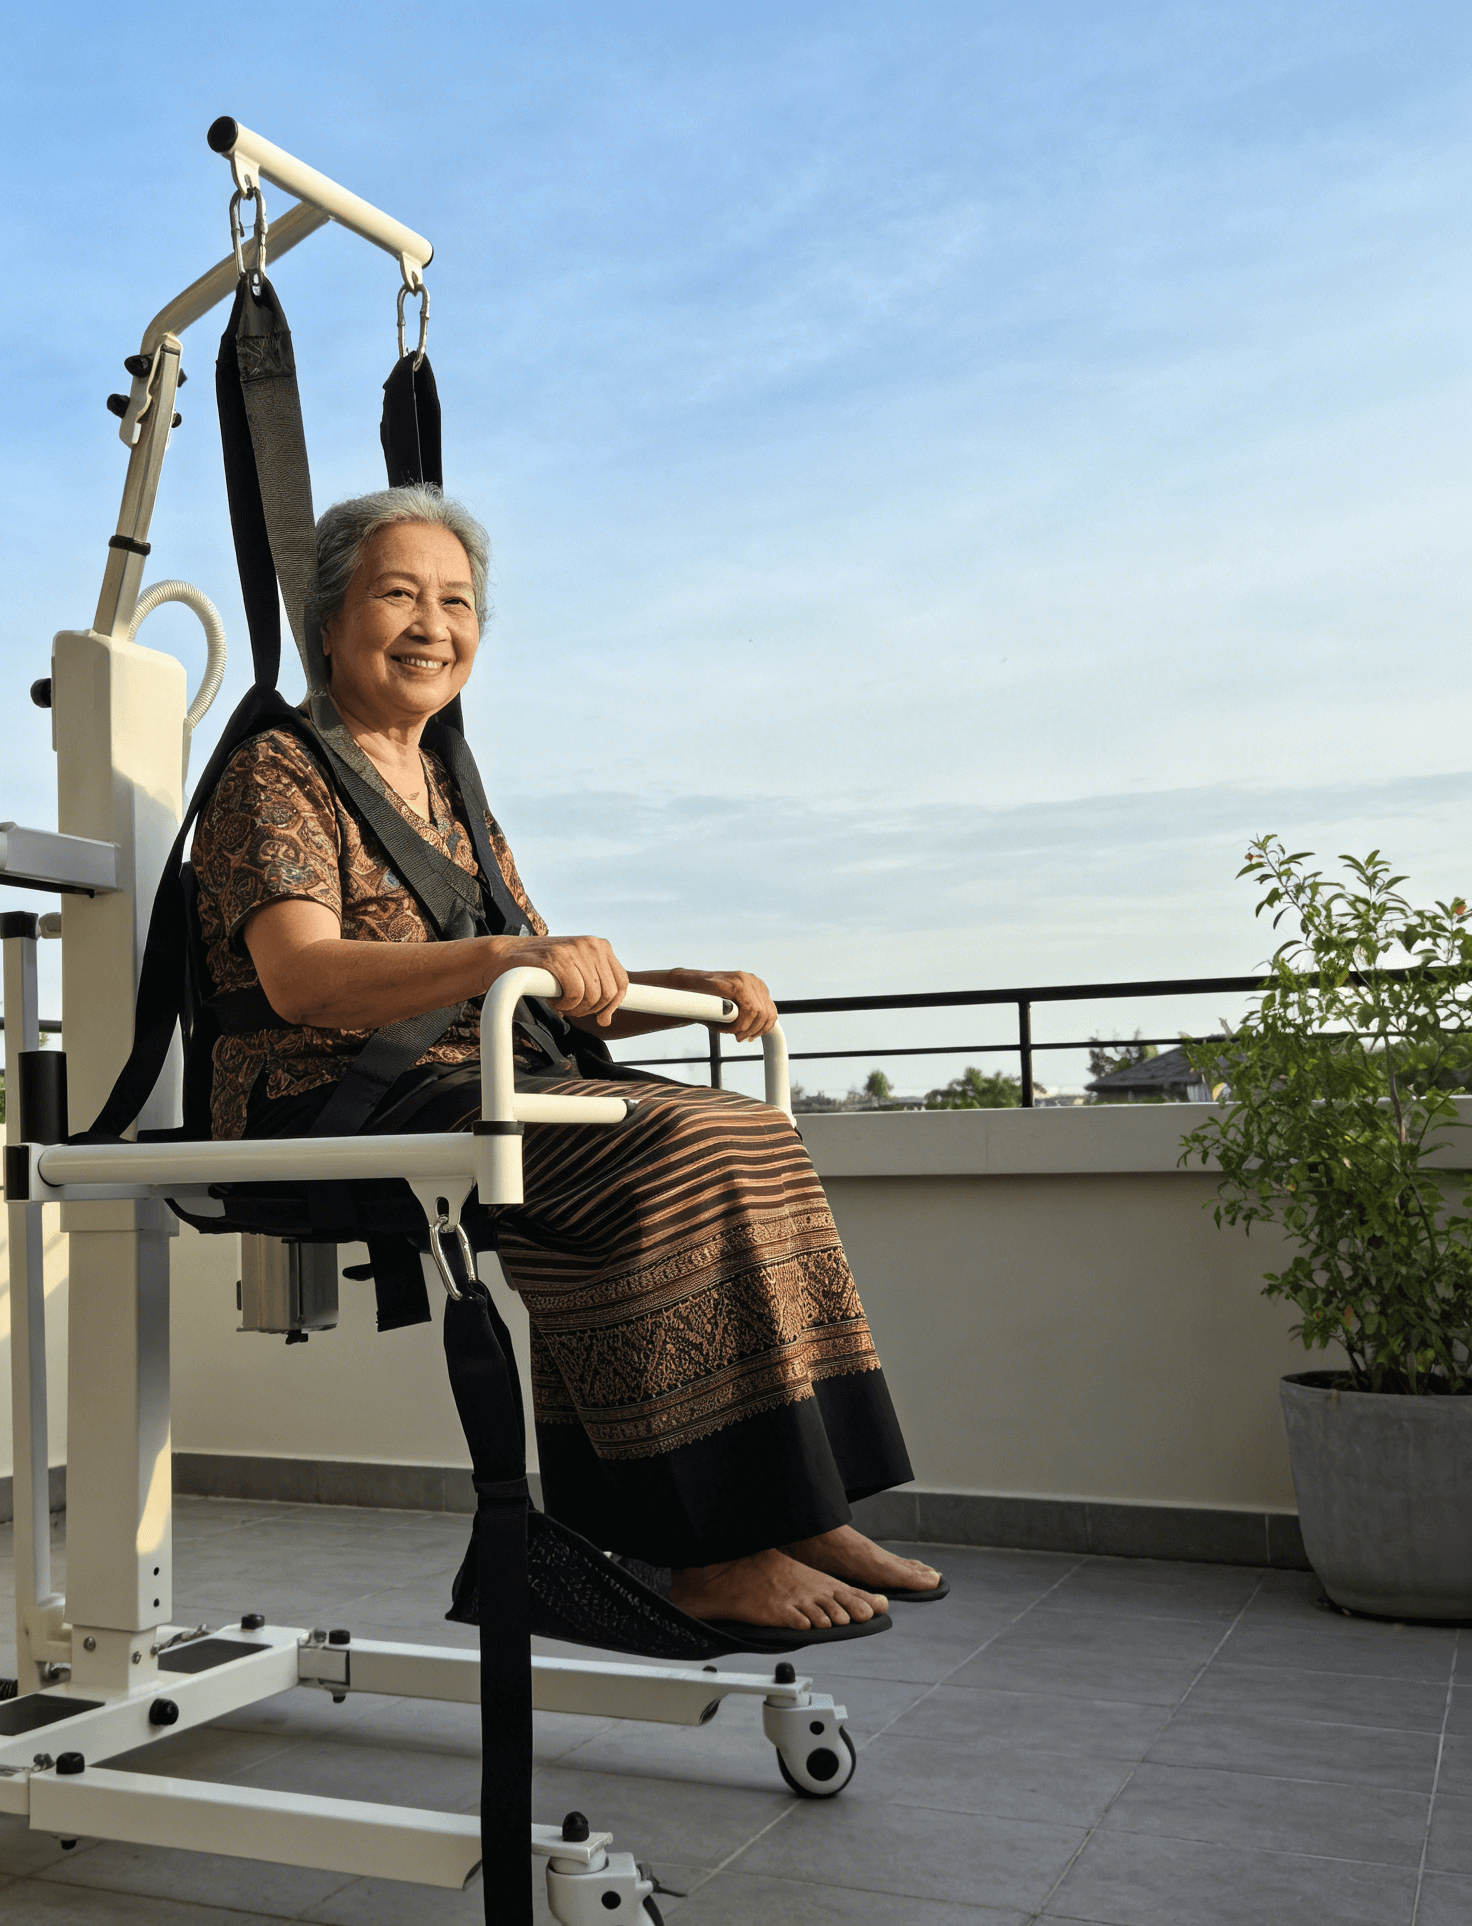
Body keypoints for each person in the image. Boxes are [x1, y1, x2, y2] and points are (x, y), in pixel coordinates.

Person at [191, 486, 941, 1630]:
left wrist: (677, 987)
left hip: (488, 1078)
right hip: (328, 1094)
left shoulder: (452, 792)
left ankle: (797, 1508)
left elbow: (541, 987)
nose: (431, 625)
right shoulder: (276, 771)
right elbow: (301, 977)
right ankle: (707, 1552)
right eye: (398, 595)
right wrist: (506, 954)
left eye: (456, 603)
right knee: (670, 1142)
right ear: (329, 622)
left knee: (747, 1129)